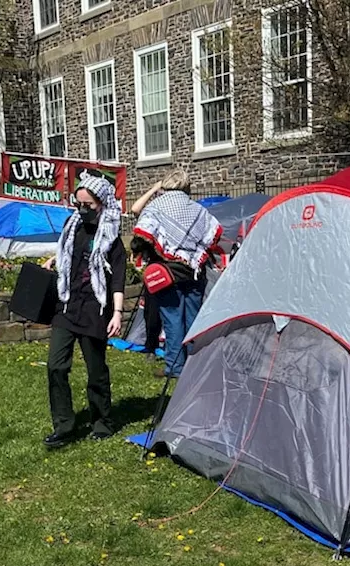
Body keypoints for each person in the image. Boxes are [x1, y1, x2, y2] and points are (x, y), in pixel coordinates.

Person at [41, 173, 126, 449]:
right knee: (55, 365)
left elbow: (117, 278)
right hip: (67, 304)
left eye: (88, 205)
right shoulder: (72, 224)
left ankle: (102, 421)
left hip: (95, 307)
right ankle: (64, 425)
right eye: (78, 204)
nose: (82, 210)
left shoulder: (111, 236)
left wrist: (117, 313)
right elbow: (69, 252)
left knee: (96, 370)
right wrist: (55, 260)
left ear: (102, 204)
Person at [130, 170, 221, 379]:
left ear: (165, 185)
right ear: (186, 186)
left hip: (167, 273)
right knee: (193, 320)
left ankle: (175, 367)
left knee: (172, 321)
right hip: (194, 272)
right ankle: (194, 364)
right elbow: (214, 234)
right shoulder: (199, 210)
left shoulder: (156, 207)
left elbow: (142, 232)